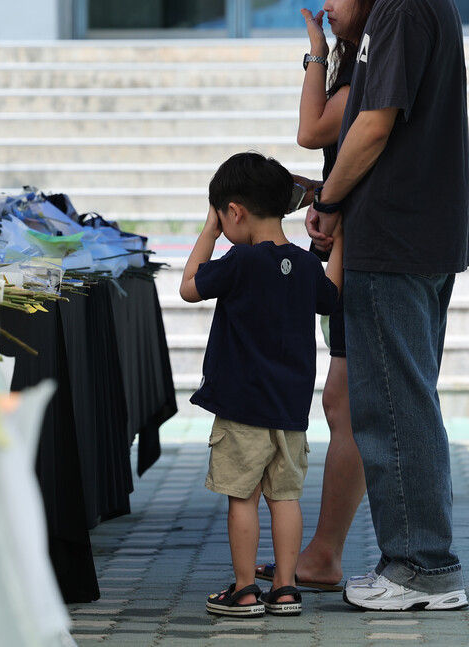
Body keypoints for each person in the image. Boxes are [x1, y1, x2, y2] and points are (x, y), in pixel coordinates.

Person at [306, 0, 469, 611]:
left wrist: (326, 199)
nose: (325, 4)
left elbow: (373, 126)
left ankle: (421, 568)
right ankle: (418, 561)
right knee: (403, 402)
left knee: (394, 408)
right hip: (417, 235)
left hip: (397, 237)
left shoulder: (403, 9)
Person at [180, 151, 342, 618]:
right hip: (291, 412)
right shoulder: (305, 266)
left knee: (243, 499)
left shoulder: (238, 260)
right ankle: (287, 589)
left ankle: (246, 590)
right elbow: (330, 296)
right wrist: (338, 237)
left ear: (234, 211)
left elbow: (189, 286)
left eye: (221, 217)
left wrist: (208, 233)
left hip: (241, 407)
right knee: (285, 498)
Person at [256, 0, 375, 593]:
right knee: (341, 402)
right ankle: (323, 552)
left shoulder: (368, 58)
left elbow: (310, 131)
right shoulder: (361, 53)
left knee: (345, 404)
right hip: (345, 240)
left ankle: (326, 554)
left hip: (361, 245)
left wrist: (316, 53)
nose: (326, 6)